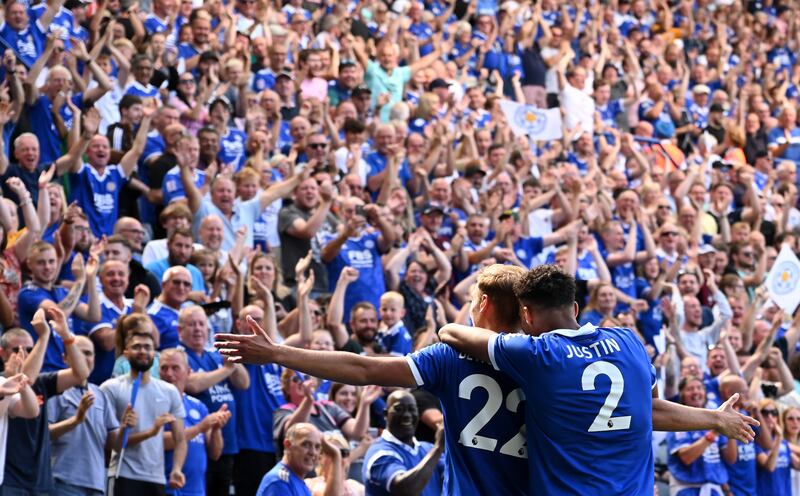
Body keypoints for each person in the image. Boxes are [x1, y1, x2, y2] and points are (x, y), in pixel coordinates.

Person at [101, 329, 188, 495]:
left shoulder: (169, 391)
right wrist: (134, 429)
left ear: (154, 354)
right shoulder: (110, 388)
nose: (142, 351)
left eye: (147, 347)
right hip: (121, 475)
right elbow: (110, 445)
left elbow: (180, 439)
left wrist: (177, 469)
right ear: (126, 354)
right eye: (137, 347)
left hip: (156, 478)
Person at [47, 334, 123, 496]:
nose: (84, 358)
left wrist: (128, 426)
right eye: (78, 352)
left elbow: (114, 443)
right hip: (63, 480)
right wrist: (75, 421)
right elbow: (44, 434)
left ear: (94, 359)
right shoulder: (54, 391)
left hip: (96, 483)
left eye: (88, 353)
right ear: (65, 358)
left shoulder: (100, 394)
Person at [159, 347, 231, 496]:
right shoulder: (155, 403)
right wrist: (200, 428)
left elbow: (215, 453)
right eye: (164, 368)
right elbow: (158, 441)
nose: (169, 374)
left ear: (188, 372)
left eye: (175, 368)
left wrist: (216, 428)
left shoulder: (198, 406)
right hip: (165, 489)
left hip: (196, 490)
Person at [362, 391, 444, 496]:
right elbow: (406, 490)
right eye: (399, 409)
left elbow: (454, 476)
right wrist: (438, 448)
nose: (406, 415)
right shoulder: (379, 453)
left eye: (412, 409)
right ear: (386, 414)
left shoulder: (427, 448)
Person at [256, 422, 342, 496]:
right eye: (306, 444)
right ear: (288, 445)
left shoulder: (297, 481)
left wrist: (336, 455)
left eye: (317, 447)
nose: (313, 452)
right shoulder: (280, 481)